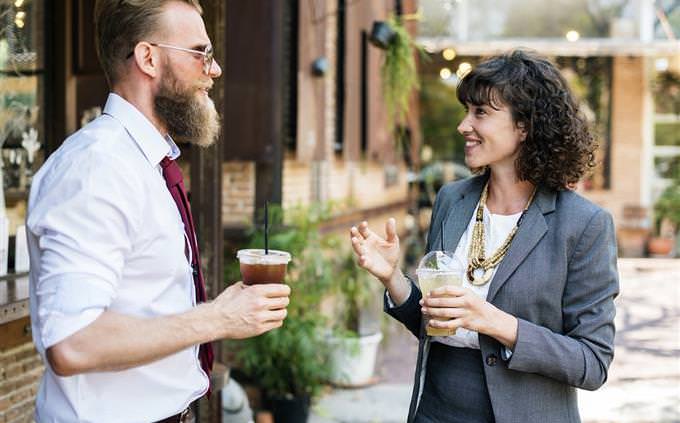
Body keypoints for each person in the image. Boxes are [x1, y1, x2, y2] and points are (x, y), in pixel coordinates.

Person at [26, 1, 290, 422]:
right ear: (148, 58)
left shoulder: (143, 163)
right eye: (201, 53)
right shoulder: (97, 168)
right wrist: (218, 318)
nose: (215, 69)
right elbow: (73, 343)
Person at [350, 50, 619, 423]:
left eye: (481, 113)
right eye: (466, 111)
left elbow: (592, 362)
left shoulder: (584, 224)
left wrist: (494, 321)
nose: (464, 126)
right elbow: (433, 325)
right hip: (436, 410)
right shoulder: (452, 200)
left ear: (524, 126)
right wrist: (392, 277)